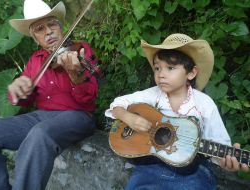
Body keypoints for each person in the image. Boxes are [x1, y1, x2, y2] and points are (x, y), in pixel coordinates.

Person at [105, 33, 249, 190]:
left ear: (191, 73)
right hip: (150, 169)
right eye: (157, 68)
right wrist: (128, 117)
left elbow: (220, 146)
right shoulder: (153, 95)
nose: (161, 74)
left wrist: (227, 162)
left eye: (170, 68)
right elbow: (118, 104)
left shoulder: (204, 104)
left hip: (192, 174)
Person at [0, 0, 98, 189]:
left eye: (51, 24)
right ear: (35, 38)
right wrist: (18, 88)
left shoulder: (80, 50)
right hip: (40, 116)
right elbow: (25, 98)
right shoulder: (35, 60)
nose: (48, 31)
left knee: (40, 134)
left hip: (77, 116)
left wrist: (76, 76)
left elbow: (90, 97)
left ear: (61, 27)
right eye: (40, 29)